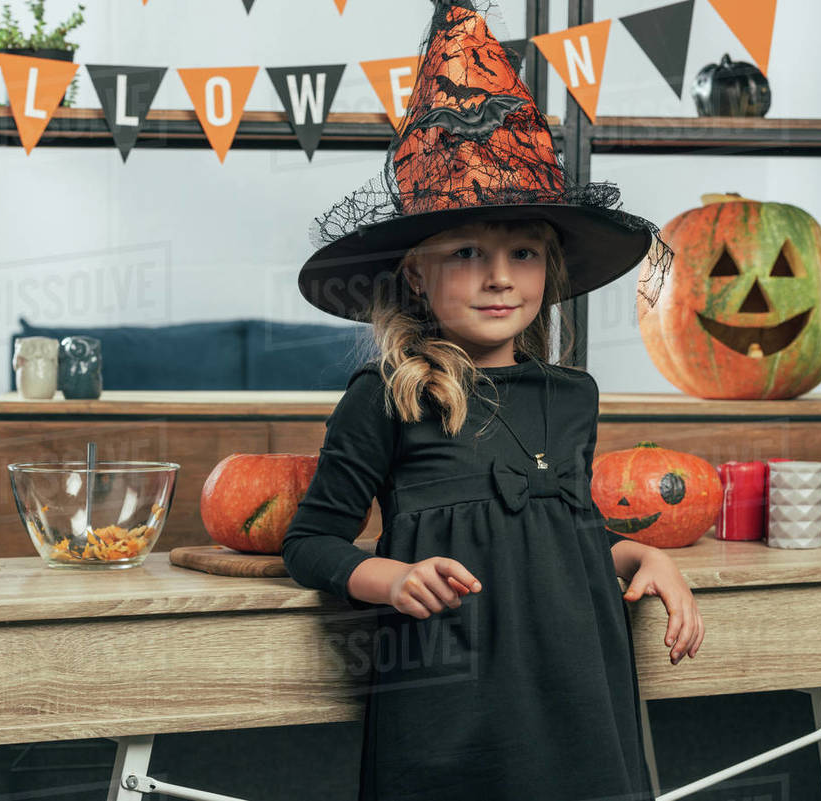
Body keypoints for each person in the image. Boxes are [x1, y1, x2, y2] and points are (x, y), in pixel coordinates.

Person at [283, 2, 703, 799]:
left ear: (549, 269)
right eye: (469, 252)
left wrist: (644, 555)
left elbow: (567, 539)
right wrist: (387, 577)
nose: (500, 276)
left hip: (578, 697)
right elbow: (309, 541)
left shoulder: (572, 397)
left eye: (522, 252)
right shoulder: (389, 396)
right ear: (416, 273)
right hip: (451, 707)